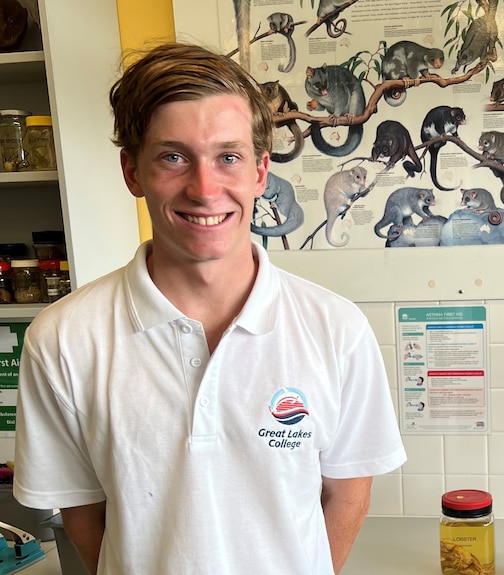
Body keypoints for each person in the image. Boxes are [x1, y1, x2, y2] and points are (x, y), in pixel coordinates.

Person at [12, 42, 406, 575]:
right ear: (132, 172)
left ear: (261, 172)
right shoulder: (62, 339)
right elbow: (83, 511)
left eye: (228, 157)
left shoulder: (336, 329)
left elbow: (348, 495)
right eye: (173, 157)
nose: (204, 188)